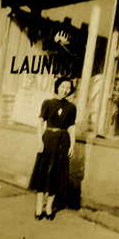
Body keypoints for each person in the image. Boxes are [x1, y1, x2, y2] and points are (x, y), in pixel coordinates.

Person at [29, 77, 77, 221]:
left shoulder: (72, 107)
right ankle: (39, 207)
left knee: (56, 175)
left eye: (68, 88)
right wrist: (40, 141)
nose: (65, 90)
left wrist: (72, 145)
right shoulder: (48, 103)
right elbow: (40, 123)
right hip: (48, 140)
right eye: (62, 87)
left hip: (63, 141)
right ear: (57, 87)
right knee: (42, 175)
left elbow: (72, 127)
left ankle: (49, 207)